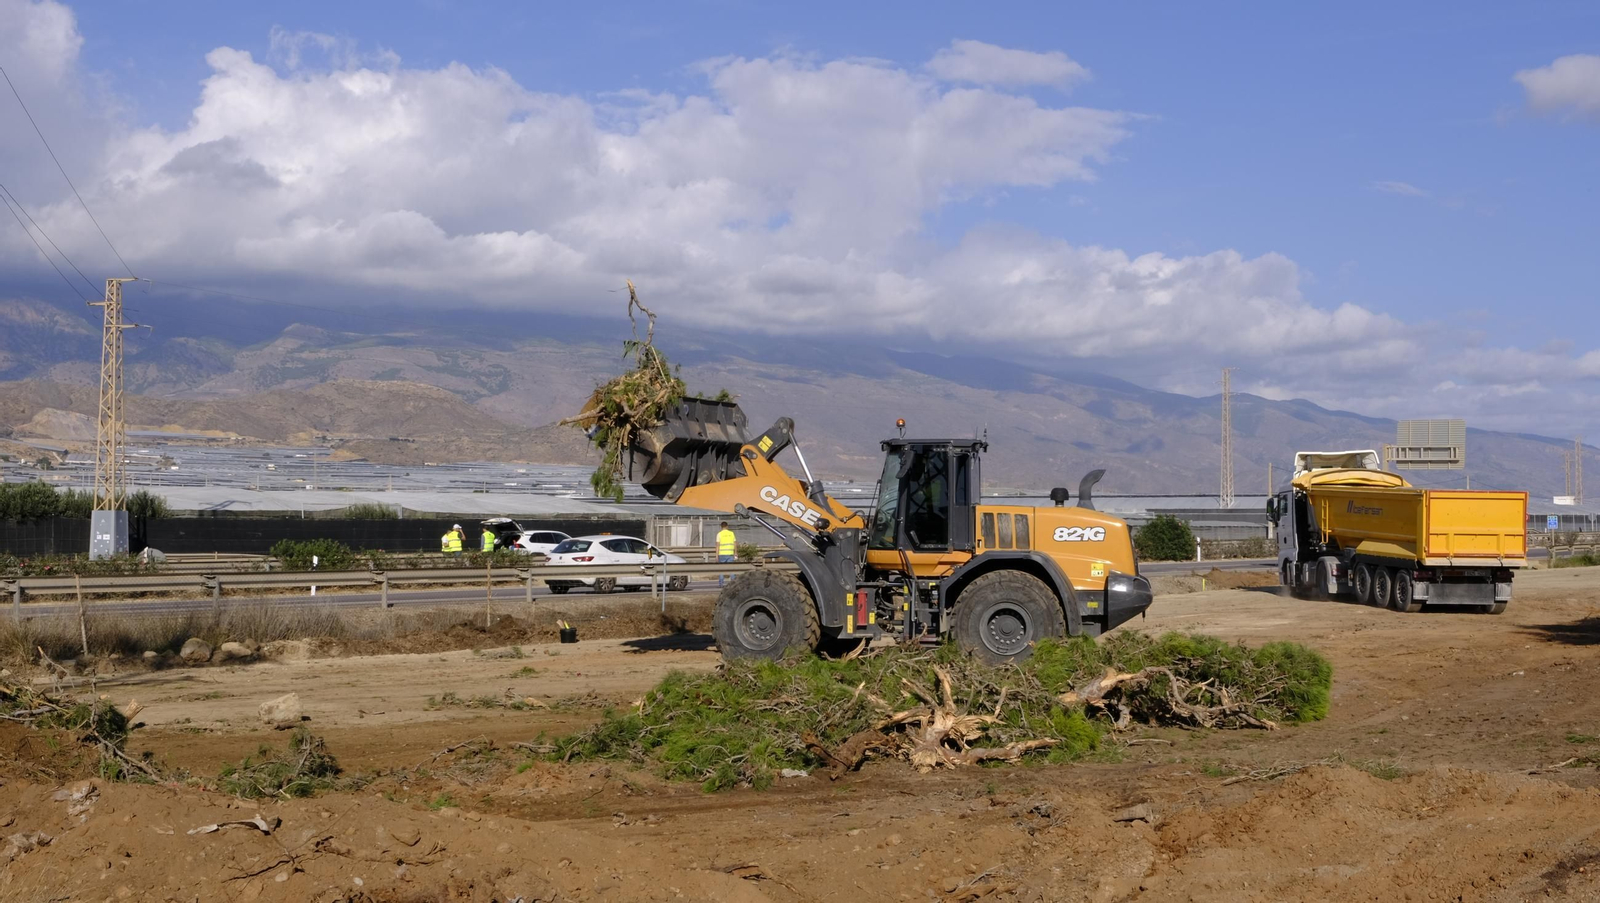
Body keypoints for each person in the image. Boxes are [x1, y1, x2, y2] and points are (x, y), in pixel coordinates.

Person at [716, 521, 737, 587]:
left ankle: (721, 584)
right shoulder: (731, 533)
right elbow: (735, 544)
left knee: (721, 570)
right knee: (731, 569)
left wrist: (716, 555)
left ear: (721, 527)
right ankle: (733, 583)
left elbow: (717, 545)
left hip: (722, 554)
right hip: (730, 553)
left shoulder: (719, 534)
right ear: (727, 526)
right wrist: (735, 553)